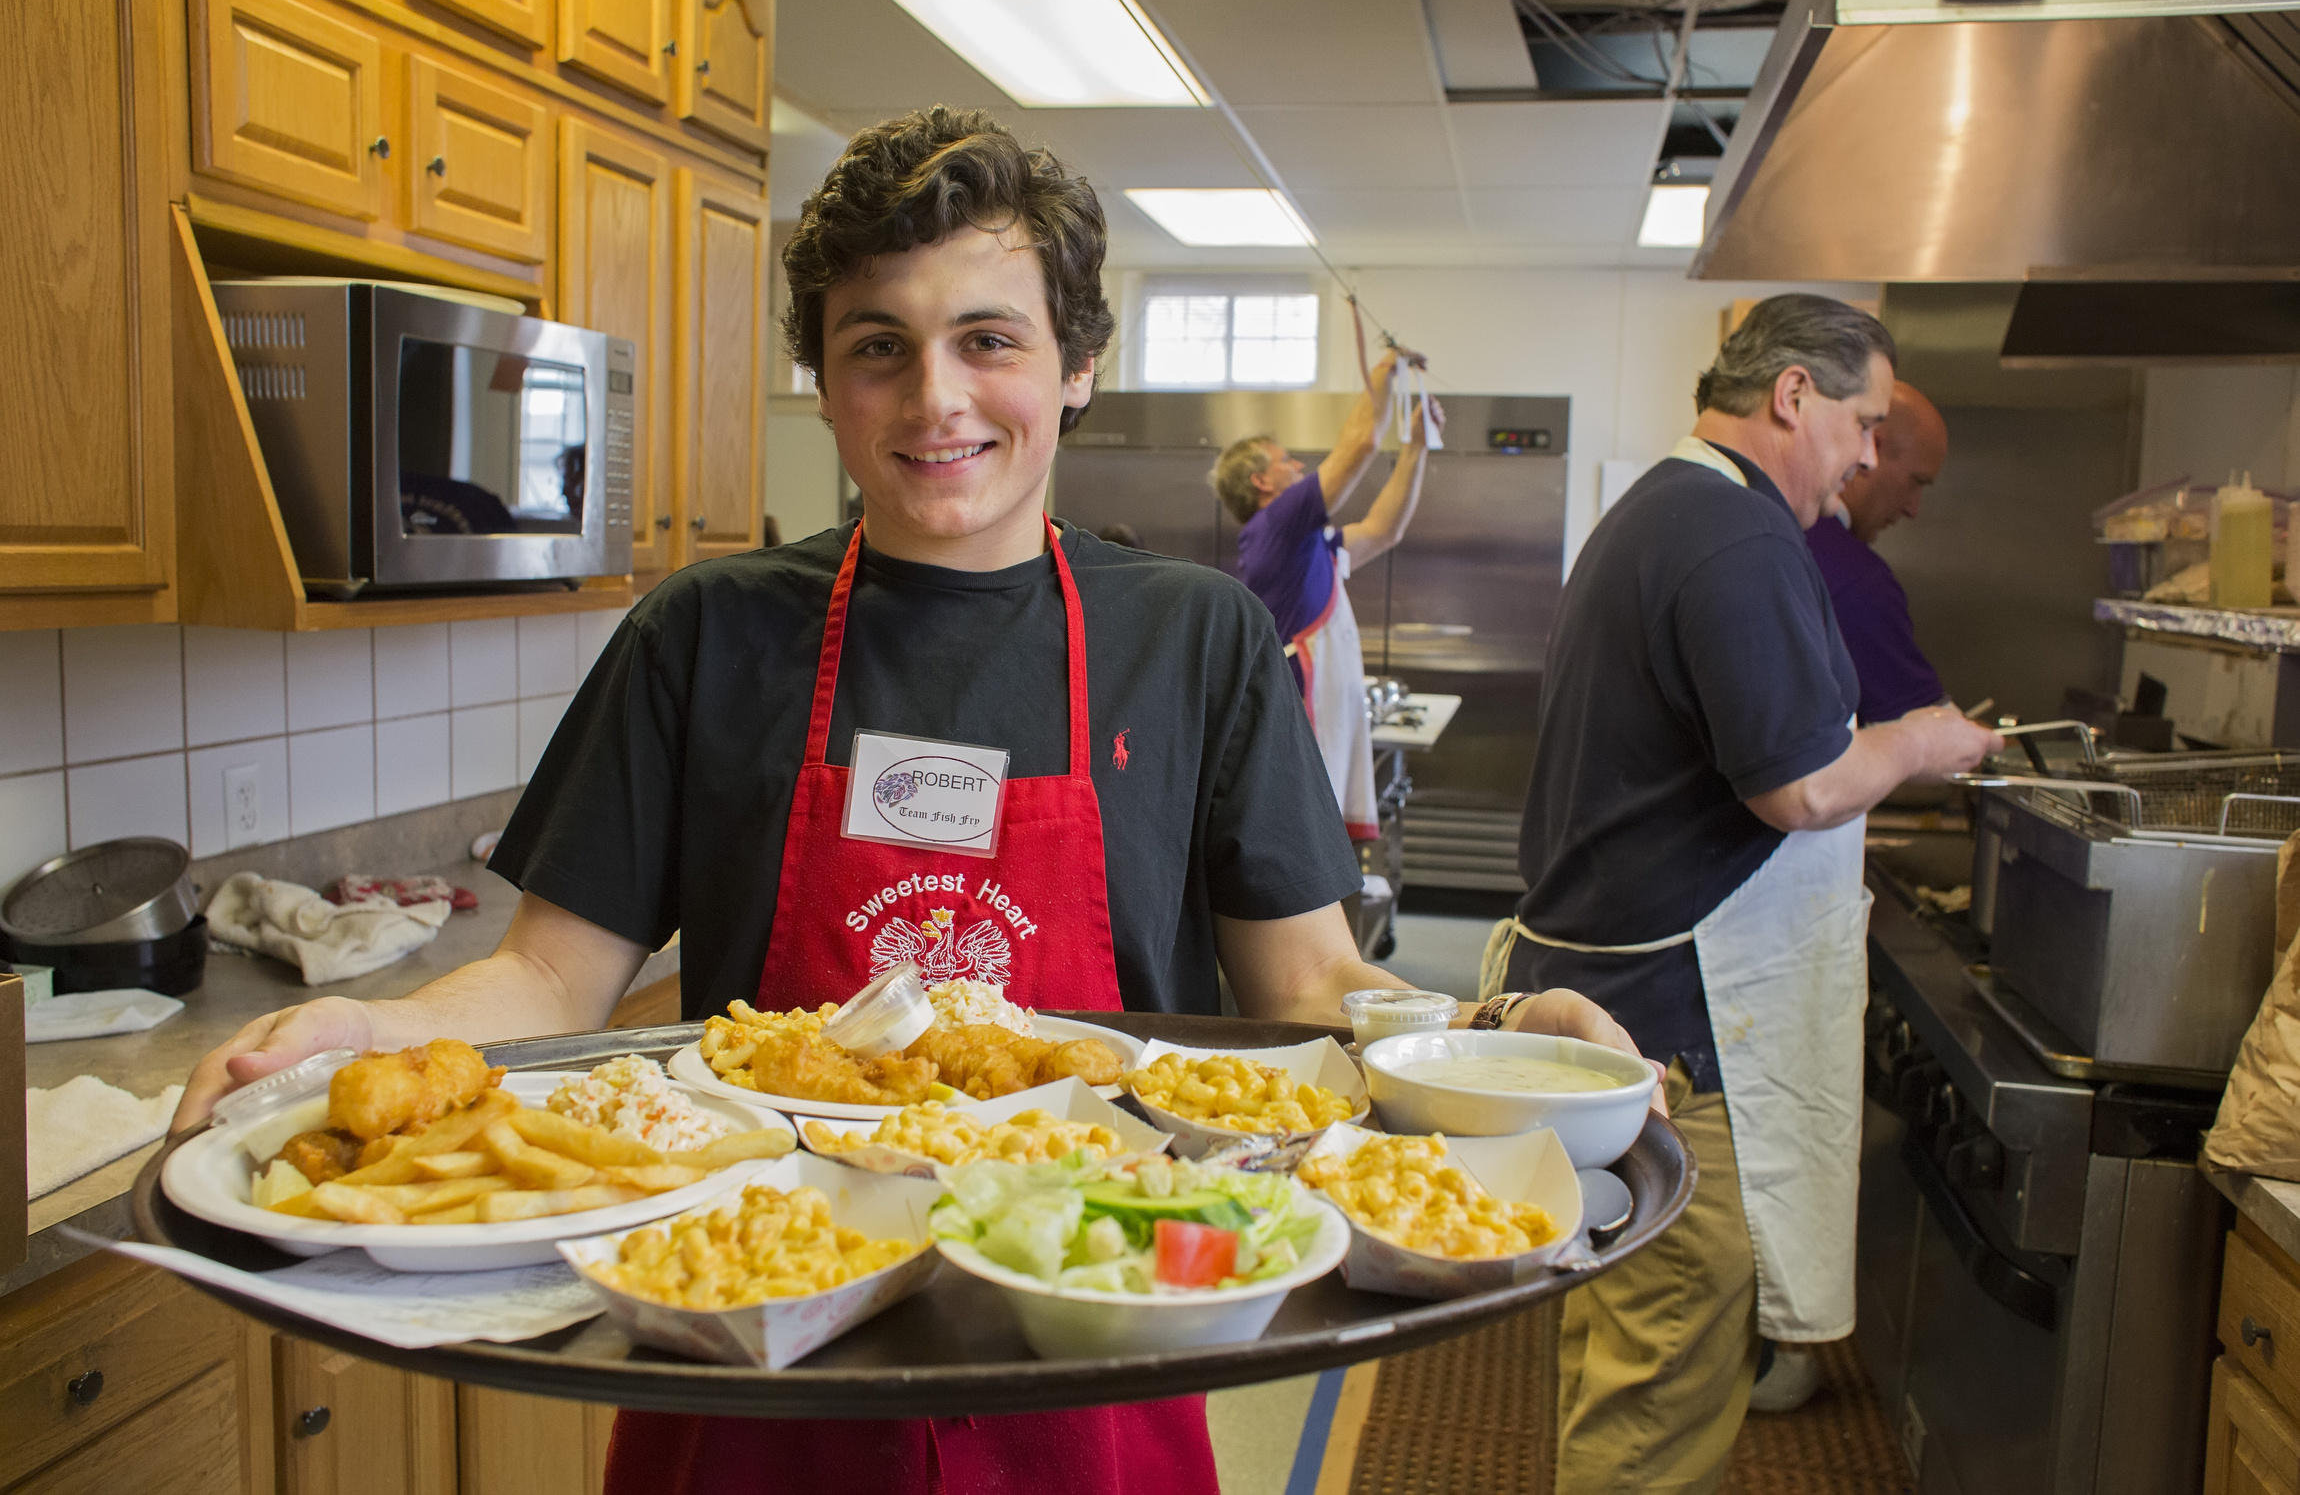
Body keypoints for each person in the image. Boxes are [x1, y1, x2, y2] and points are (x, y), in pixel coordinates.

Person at [174, 107, 1638, 1495]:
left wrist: (1490, 1041)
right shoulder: (709, 630)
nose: (936, 399)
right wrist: (378, 1029)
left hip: (1094, 1335)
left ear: (1076, 365)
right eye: (880, 347)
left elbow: (1311, 983)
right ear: (825, 377)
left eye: (987, 340)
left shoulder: (1193, 638)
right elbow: (547, 975)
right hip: (756, 1335)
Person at [1480, 295, 2002, 1493]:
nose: (1869, 457)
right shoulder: (1735, 535)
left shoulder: (1662, 510)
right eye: (1863, 422)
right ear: (1792, 398)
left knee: (1618, 1355)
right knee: (1662, 1389)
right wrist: (1918, 740)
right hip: (1678, 1037)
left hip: (1606, 1012)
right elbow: (1803, 787)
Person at [1213, 367, 1439, 841]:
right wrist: (1383, 372)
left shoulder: (1308, 544)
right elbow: (1359, 447)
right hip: (1304, 709)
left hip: (1328, 709)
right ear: (1261, 481)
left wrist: (1417, 447)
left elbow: (1384, 530)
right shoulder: (1275, 524)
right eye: (1287, 461)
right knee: (1306, 839)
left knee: (1322, 841)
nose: (1299, 467)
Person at [1805, 380, 1952, 722]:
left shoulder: (1768, 528)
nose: (1913, 509)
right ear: (1871, 448)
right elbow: (1928, 734)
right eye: (1916, 481)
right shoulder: (1854, 578)